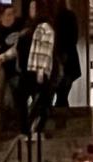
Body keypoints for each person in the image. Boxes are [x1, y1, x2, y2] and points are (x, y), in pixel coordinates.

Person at [20, 0, 57, 136]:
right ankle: (30, 130)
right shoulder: (32, 27)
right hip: (31, 69)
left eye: (33, 7)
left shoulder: (45, 28)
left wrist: (41, 71)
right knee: (30, 101)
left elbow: (45, 51)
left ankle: (35, 129)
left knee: (41, 102)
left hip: (38, 70)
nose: (31, 10)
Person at [53, 0, 81, 107]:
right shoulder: (70, 16)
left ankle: (61, 114)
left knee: (61, 92)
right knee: (63, 93)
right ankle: (62, 113)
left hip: (58, 55)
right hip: (70, 55)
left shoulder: (53, 18)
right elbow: (74, 36)